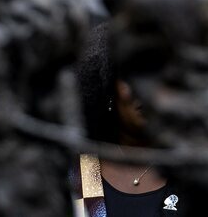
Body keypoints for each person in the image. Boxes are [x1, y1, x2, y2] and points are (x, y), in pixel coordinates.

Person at [72, 24, 183, 216]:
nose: (146, 93)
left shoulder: (196, 173)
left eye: (157, 76)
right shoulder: (78, 173)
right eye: (132, 77)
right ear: (108, 88)